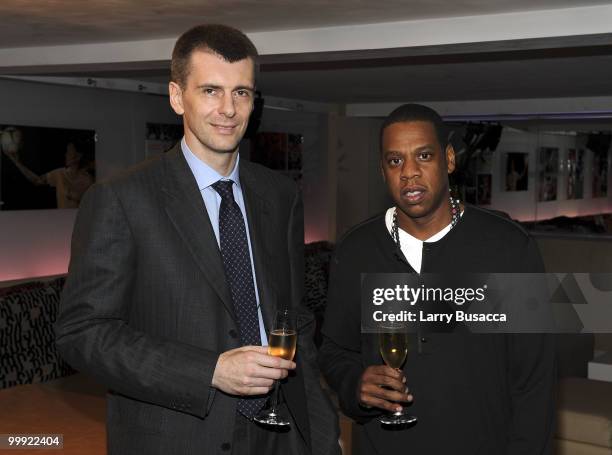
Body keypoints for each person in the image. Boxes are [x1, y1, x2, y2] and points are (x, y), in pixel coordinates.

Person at [55, 24, 339, 455]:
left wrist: (321, 432)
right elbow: (82, 333)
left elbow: (294, 320)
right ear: (176, 96)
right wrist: (208, 371)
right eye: (211, 90)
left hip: (281, 434)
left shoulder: (279, 197)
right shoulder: (122, 199)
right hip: (180, 435)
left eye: (241, 92)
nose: (228, 108)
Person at [318, 104, 556, 454]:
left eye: (423, 156)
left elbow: (535, 382)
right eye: (395, 160)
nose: (409, 173)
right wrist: (356, 385)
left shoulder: (507, 248)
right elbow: (335, 350)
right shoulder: (357, 249)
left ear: (448, 160)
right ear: (383, 171)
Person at [2, 141, 94, 208]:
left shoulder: (88, 180)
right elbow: (37, 180)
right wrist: (16, 161)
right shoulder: (59, 173)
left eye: (69, 151)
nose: (66, 154)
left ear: (78, 156)